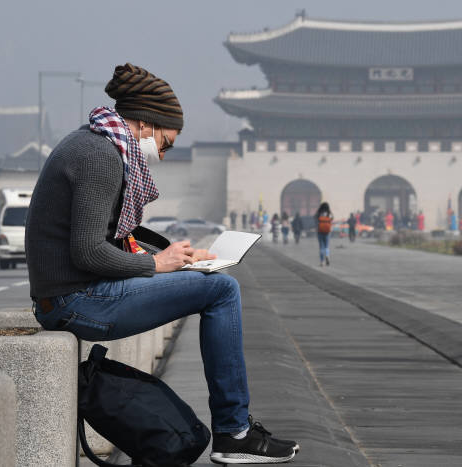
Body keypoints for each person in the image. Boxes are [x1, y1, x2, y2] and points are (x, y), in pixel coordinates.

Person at [24, 63, 298, 464]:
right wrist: (159, 265)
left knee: (212, 283)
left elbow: (100, 246)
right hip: (74, 302)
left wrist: (177, 260)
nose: (164, 155)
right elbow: (88, 252)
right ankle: (234, 432)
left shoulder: (96, 143)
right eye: (166, 143)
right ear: (145, 125)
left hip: (70, 296)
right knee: (223, 291)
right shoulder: (100, 156)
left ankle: (232, 431)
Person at [316, 202, 333, 266]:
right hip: (327, 232)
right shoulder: (329, 214)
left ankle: (322, 262)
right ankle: (327, 255)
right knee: (326, 246)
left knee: (321, 247)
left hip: (320, 232)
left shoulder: (319, 213)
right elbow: (332, 219)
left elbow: (315, 219)